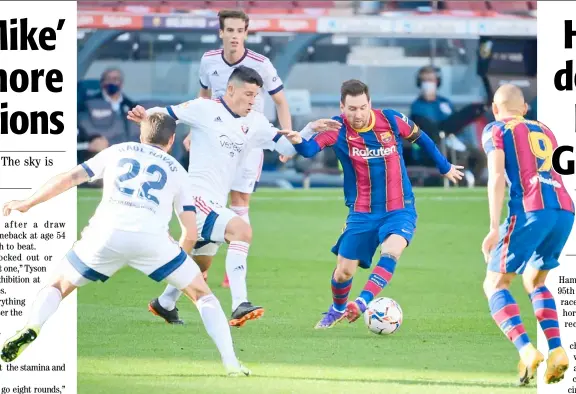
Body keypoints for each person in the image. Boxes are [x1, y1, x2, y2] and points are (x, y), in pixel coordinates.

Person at [0, 113, 250, 376]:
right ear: (172, 139)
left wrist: (27, 203)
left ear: (141, 136)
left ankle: (33, 326)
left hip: (105, 234)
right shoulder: (177, 170)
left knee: (57, 286)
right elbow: (189, 230)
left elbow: (69, 178)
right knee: (202, 295)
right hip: (152, 240)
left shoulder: (117, 151)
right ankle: (231, 363)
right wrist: (182, 263)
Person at [127, 66, 330, 328]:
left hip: (215, 201)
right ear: (231, 90)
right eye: (248, 94)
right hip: (195, 196)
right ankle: (239, 304)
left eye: (256, 95)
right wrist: (144, 116)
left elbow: (285, 147)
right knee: (241, 231)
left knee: (200, 264)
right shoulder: (204, 108)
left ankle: (165, 303)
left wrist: (309, 130)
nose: (252, 100)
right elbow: (165, 115)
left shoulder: (255, 121)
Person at [278, 79, 464, 329]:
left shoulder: (391, 120)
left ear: (370, 104)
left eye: (363, 107)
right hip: (362, 211)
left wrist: (445, 167)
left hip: (399, 206)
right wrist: (304, 133)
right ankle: (337, 309)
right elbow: (309, 151)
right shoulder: (336, 127)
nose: (358, 114)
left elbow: (423, 139)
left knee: (392, 250)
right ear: (342, 107)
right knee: (343, 272)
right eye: (352, 109)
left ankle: (363, 301)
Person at [187, 9, 294, 288]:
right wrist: (192, 132)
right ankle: (202, 262)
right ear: (221, 33)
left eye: (240, 31)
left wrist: (285, 138)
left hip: (248, 142)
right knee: (210, 202)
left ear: (246, 33)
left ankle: (232, 268)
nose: (235, 36)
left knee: (239, 202)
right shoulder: (209, 61)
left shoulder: (261, 64)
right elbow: (203, 97)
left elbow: (281, 101)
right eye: (230, 30)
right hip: (215, 143)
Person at [480, 84, 574, 386]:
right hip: (564, 208)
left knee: (495, 283)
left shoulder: (496, 129)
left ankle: (527, 350)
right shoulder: (544, 129)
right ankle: (557, 350)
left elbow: (496, 177)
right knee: (535, 281)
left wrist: (494, 227)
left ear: (496, 109)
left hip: (531, 210)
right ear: (524, 108)